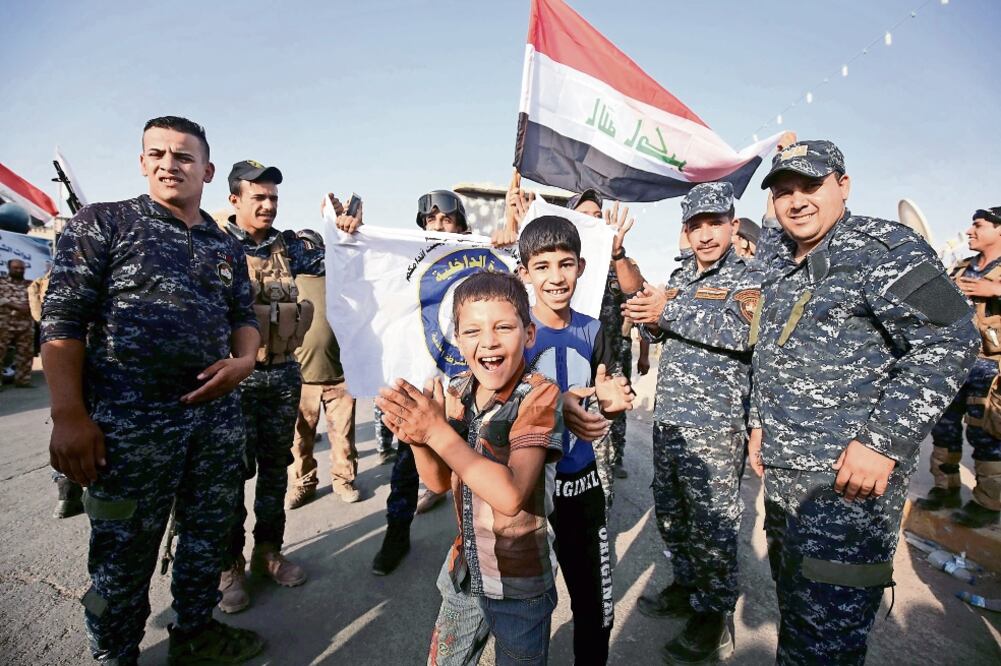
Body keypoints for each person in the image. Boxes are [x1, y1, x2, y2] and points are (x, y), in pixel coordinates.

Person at [41, 116, 264, 664]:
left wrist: (245, 360)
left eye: (184, 156)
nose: (169, 165)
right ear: (142, 163)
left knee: (207, 538)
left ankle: (195, 634)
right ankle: (116, 654)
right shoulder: (104, 224)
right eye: (157, 154)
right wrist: (69, 415)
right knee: (121, 559)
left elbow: (243, 315)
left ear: (206, 170)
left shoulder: (223, 245)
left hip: (213, 426)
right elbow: (62, 323)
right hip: (128, 430)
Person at [749, 140, 979, 664]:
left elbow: (951, 340)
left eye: (811, 186)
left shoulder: (884, 249)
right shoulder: (782, 259)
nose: (797, 201)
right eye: (784, 192)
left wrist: (882, 442)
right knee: (797, 615)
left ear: (843, 186)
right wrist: (761, 421)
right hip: (788, 479)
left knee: (828, 640)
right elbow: (772, 349)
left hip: (848, 487)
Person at [376, 271, 564, 666]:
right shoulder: (458, 391)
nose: (489, 341)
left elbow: (511, 496)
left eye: (503, 327)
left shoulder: (540, 395)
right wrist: (418, 439)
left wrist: (437, 431)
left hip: (520, 585)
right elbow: (437, 482)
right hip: (465, 573)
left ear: (529, 334)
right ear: (458, 342)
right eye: (473, 331)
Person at [611, 182, 762, 664]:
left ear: (732, 226)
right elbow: (658, 328)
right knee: (673, 512)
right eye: (696, 225)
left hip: (716, 426)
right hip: (672, 419)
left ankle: (713, 616)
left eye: (715, 223)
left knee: (712, 523)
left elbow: (745, 332)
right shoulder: (681, 275)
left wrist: (668, 311)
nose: (705, 234)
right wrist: (649, 315)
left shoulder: (750, 276)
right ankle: (687, 584)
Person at [217, 160, 331, 613]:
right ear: (234, 200)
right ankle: (229, 565)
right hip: (235, 381)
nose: (268, 205)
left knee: (274, 471)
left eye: (273, 198)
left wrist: (345, 227)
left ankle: (268, 552)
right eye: (258, 197)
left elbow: (343, 255)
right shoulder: (214, 245)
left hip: (283, 376)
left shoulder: (292, 247)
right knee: (229, 476)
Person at [518, 216, 634, 665]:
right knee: (524, 611)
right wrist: (554, 407)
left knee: (596, 610)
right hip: (527, 490)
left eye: (566, 264)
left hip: (581, 486)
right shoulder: (514, 333)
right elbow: (498, 405)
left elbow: (606, 393)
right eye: (542, 266)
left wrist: (613, 403)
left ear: (581, 267)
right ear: (525, 273)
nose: (556, 277)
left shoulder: (593, 330)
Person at [365, 189, 468, 576]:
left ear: (461, 227)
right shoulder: (408, 264)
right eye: (431, 220)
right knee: (408, 463)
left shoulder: (477, 262)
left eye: (447, 220)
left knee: (476, 465)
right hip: (424, 384)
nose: (438, 226)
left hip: (468, 386)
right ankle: (396, 534)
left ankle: (479, 549)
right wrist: (351, 233)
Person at [916, 205, 1001, 527]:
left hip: (991, 368)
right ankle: (945, 489)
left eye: (978, 225)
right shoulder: (963, 268)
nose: (969, 231)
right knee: (944, 427)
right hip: (954, 364)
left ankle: (989, 502)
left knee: (987, 434)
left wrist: (996, 290)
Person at [286, 228, 360, 509]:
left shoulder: (339, 279)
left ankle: (343, 480)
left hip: (340, 376)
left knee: (342, 437)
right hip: (302, 377)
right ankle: (303, 484)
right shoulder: (290, 280)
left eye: (312, 247)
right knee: (300, 439)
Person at [568, 189, 634, 500]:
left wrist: (617, 254)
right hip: (564, 375)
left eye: (598, 216)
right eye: (585, 216)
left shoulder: (614, 265)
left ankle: (599, 519)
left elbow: (635, 294)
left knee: (599, 462)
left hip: (604, 372)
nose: (594, 221)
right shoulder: (557, 266)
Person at [0, 258, 34, 387]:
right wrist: (16, 306)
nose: (19, 270)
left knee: (26, 353)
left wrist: (30, 307)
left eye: (21, 268)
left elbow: (38, 298)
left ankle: (23, 381)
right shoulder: (2, 282)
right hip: (4, 323)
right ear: (9, 268)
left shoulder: (30, 284)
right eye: (16, 268)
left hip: (26, 324)